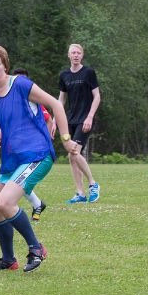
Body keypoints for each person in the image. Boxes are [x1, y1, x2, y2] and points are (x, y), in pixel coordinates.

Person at [0, 46, 78, 272]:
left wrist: (65, 138)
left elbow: (55, 104)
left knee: (5, 202)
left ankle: (36, 248)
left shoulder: (21, 85)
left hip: (37, 155)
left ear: (5, 65)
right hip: (12, 161)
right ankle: (8, 260)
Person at [0, 67, 52, 221]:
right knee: (14, 181)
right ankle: (37, 204)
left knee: (17, 182)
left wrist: (46, 140)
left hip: (32, 150)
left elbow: (49, 119)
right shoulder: (8, 100)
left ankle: (36, 206)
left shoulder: (33, 99)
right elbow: (3, 122)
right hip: (14, 151)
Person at [55, 44, 101, 204]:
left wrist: (90, 117)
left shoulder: (88, 72)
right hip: (70, 120)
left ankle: (93, 184)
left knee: (74, 152)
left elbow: (97, 96)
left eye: (78, 53)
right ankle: (80, 193)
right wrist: (55, 119)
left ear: (82, 55)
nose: (75, 55)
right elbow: (61, 100)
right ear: (68, 55)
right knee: (71, 155)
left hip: (85, 119)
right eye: (73, 52)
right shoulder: (64, 75)